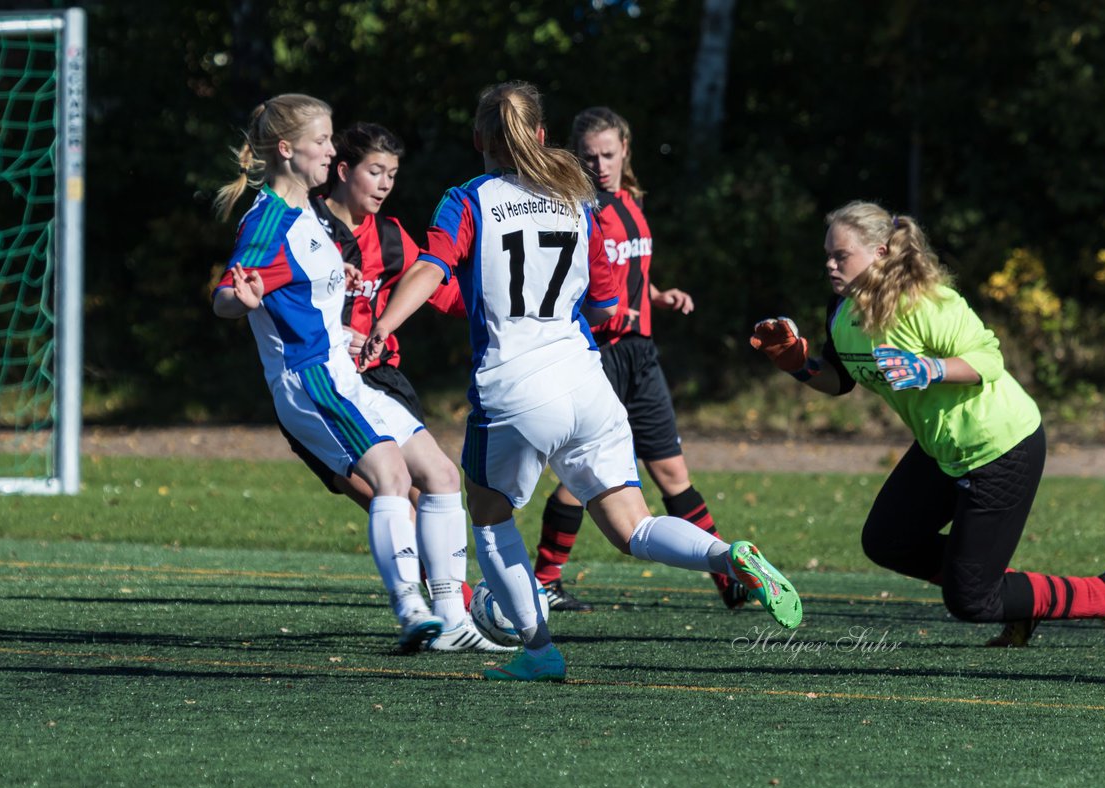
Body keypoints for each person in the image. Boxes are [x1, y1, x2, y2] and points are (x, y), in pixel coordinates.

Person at [362, 81, 802, 682]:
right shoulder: (579, 201)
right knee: (634, 526)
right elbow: (602, 303)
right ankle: (728, 555)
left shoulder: (467, 200)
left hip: (514, 390)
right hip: (587, 383)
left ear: (477, 140)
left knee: (490, 521)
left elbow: (430, 267)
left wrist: (383, 325)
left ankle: (539, 651)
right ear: (542, 136)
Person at [750, 200, 1105, 647]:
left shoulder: (925, 303)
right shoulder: (841, 310)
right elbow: (840, 381)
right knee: (888, 540)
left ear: (879, 254)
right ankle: (1017, 597)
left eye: (841, 256)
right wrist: (797, 365)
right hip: (943, 449)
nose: (830, 265)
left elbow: (989, 359)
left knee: (972, 601)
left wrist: (929, 368)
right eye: (827, 255)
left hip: (1000, 447)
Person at [209, 94, 471, 654]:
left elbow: (303, 282)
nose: (333, 150)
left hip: (346, 372)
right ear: (288, 150)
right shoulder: (270, 217)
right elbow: (225, 294)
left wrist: (342, 291)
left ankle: (454, 622)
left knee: (443, 477)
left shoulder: (307, 213)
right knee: (392, 480)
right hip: (311, 381)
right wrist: (241, 297)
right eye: (323, 141)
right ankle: (411, 609)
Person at [279, 120, 498, 652]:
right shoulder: (303, 227)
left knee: (434, 486)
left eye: (392, 175)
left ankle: (453, 614)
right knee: (392, 493)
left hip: (383, 381)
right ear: (342, 170)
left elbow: (437, 292)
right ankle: (440, 609)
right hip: (323, 386)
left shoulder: (394, 237)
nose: (383, 185)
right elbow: (272, 304)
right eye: (374, 172)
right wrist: (335, 335)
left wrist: (502, 313)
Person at [529, 106, 747, 613]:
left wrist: (657, 294)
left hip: (642, 355)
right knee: (584, 479)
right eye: (589, 156)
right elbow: (564, 282)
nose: (600, 164)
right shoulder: (571, 207)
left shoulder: (631, 201)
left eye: (608, 154)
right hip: (600, 356)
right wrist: (608, 309)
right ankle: (545, 580)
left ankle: (729, 576)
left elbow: (626, 270)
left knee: (672, 472)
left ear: (625, 150)